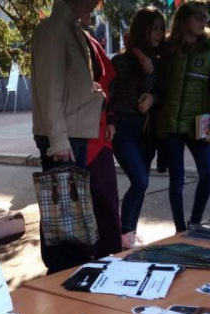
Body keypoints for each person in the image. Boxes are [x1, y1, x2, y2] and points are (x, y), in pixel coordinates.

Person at [31, 0, 106, 274]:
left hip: (69, 131)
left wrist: (90, 89)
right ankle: (61, 271)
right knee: (60, 205)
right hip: (63, 135)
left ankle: (68, 267)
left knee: (67, 204)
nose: (96, 5)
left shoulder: (67, 27)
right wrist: (59, 140)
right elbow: (50, 87)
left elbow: (66, 81)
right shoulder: (56, 29)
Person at [157, 1, 210, 233]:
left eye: (206, 16)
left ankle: (195, 221)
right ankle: (180, 229)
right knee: (177, 180)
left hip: (199, 122)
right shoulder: (167, 47)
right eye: (198, 16)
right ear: (184, 19)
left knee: (208, 173)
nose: (203, 20)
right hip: (171, 122)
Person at [110, 7, 165, 249]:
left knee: (142, 184)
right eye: (154, 28)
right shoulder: (121, 61)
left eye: (162, 29)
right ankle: (123, 232)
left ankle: (130, 232)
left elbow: (164, 91)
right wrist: (111, 120)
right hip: (124, 131)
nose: (159, 34)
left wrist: (152, 98)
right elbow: (109, 96)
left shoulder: (161, 61)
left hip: (147, 133)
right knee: (140, 181)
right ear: (142, 29)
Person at [80, 12, 122, 258]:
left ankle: (110, 254)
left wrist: (112, 119)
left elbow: (110, 83)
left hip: (99, 134)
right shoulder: (66, 39)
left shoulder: (90, 41)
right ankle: (87, 257)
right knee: (83, 205)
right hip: (76, 135)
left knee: (105, 200)